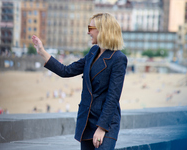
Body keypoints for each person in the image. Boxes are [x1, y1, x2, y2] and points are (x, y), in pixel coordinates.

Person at [32, 12, 127, 150]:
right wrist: (42, 51)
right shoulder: (93, 52)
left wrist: (101, 128)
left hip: (106, 124)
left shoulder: (118, 58)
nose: (88, 32)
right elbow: (66, 71)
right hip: (87, 122)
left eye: (91, 28)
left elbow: (113, 97)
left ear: (102, 30)